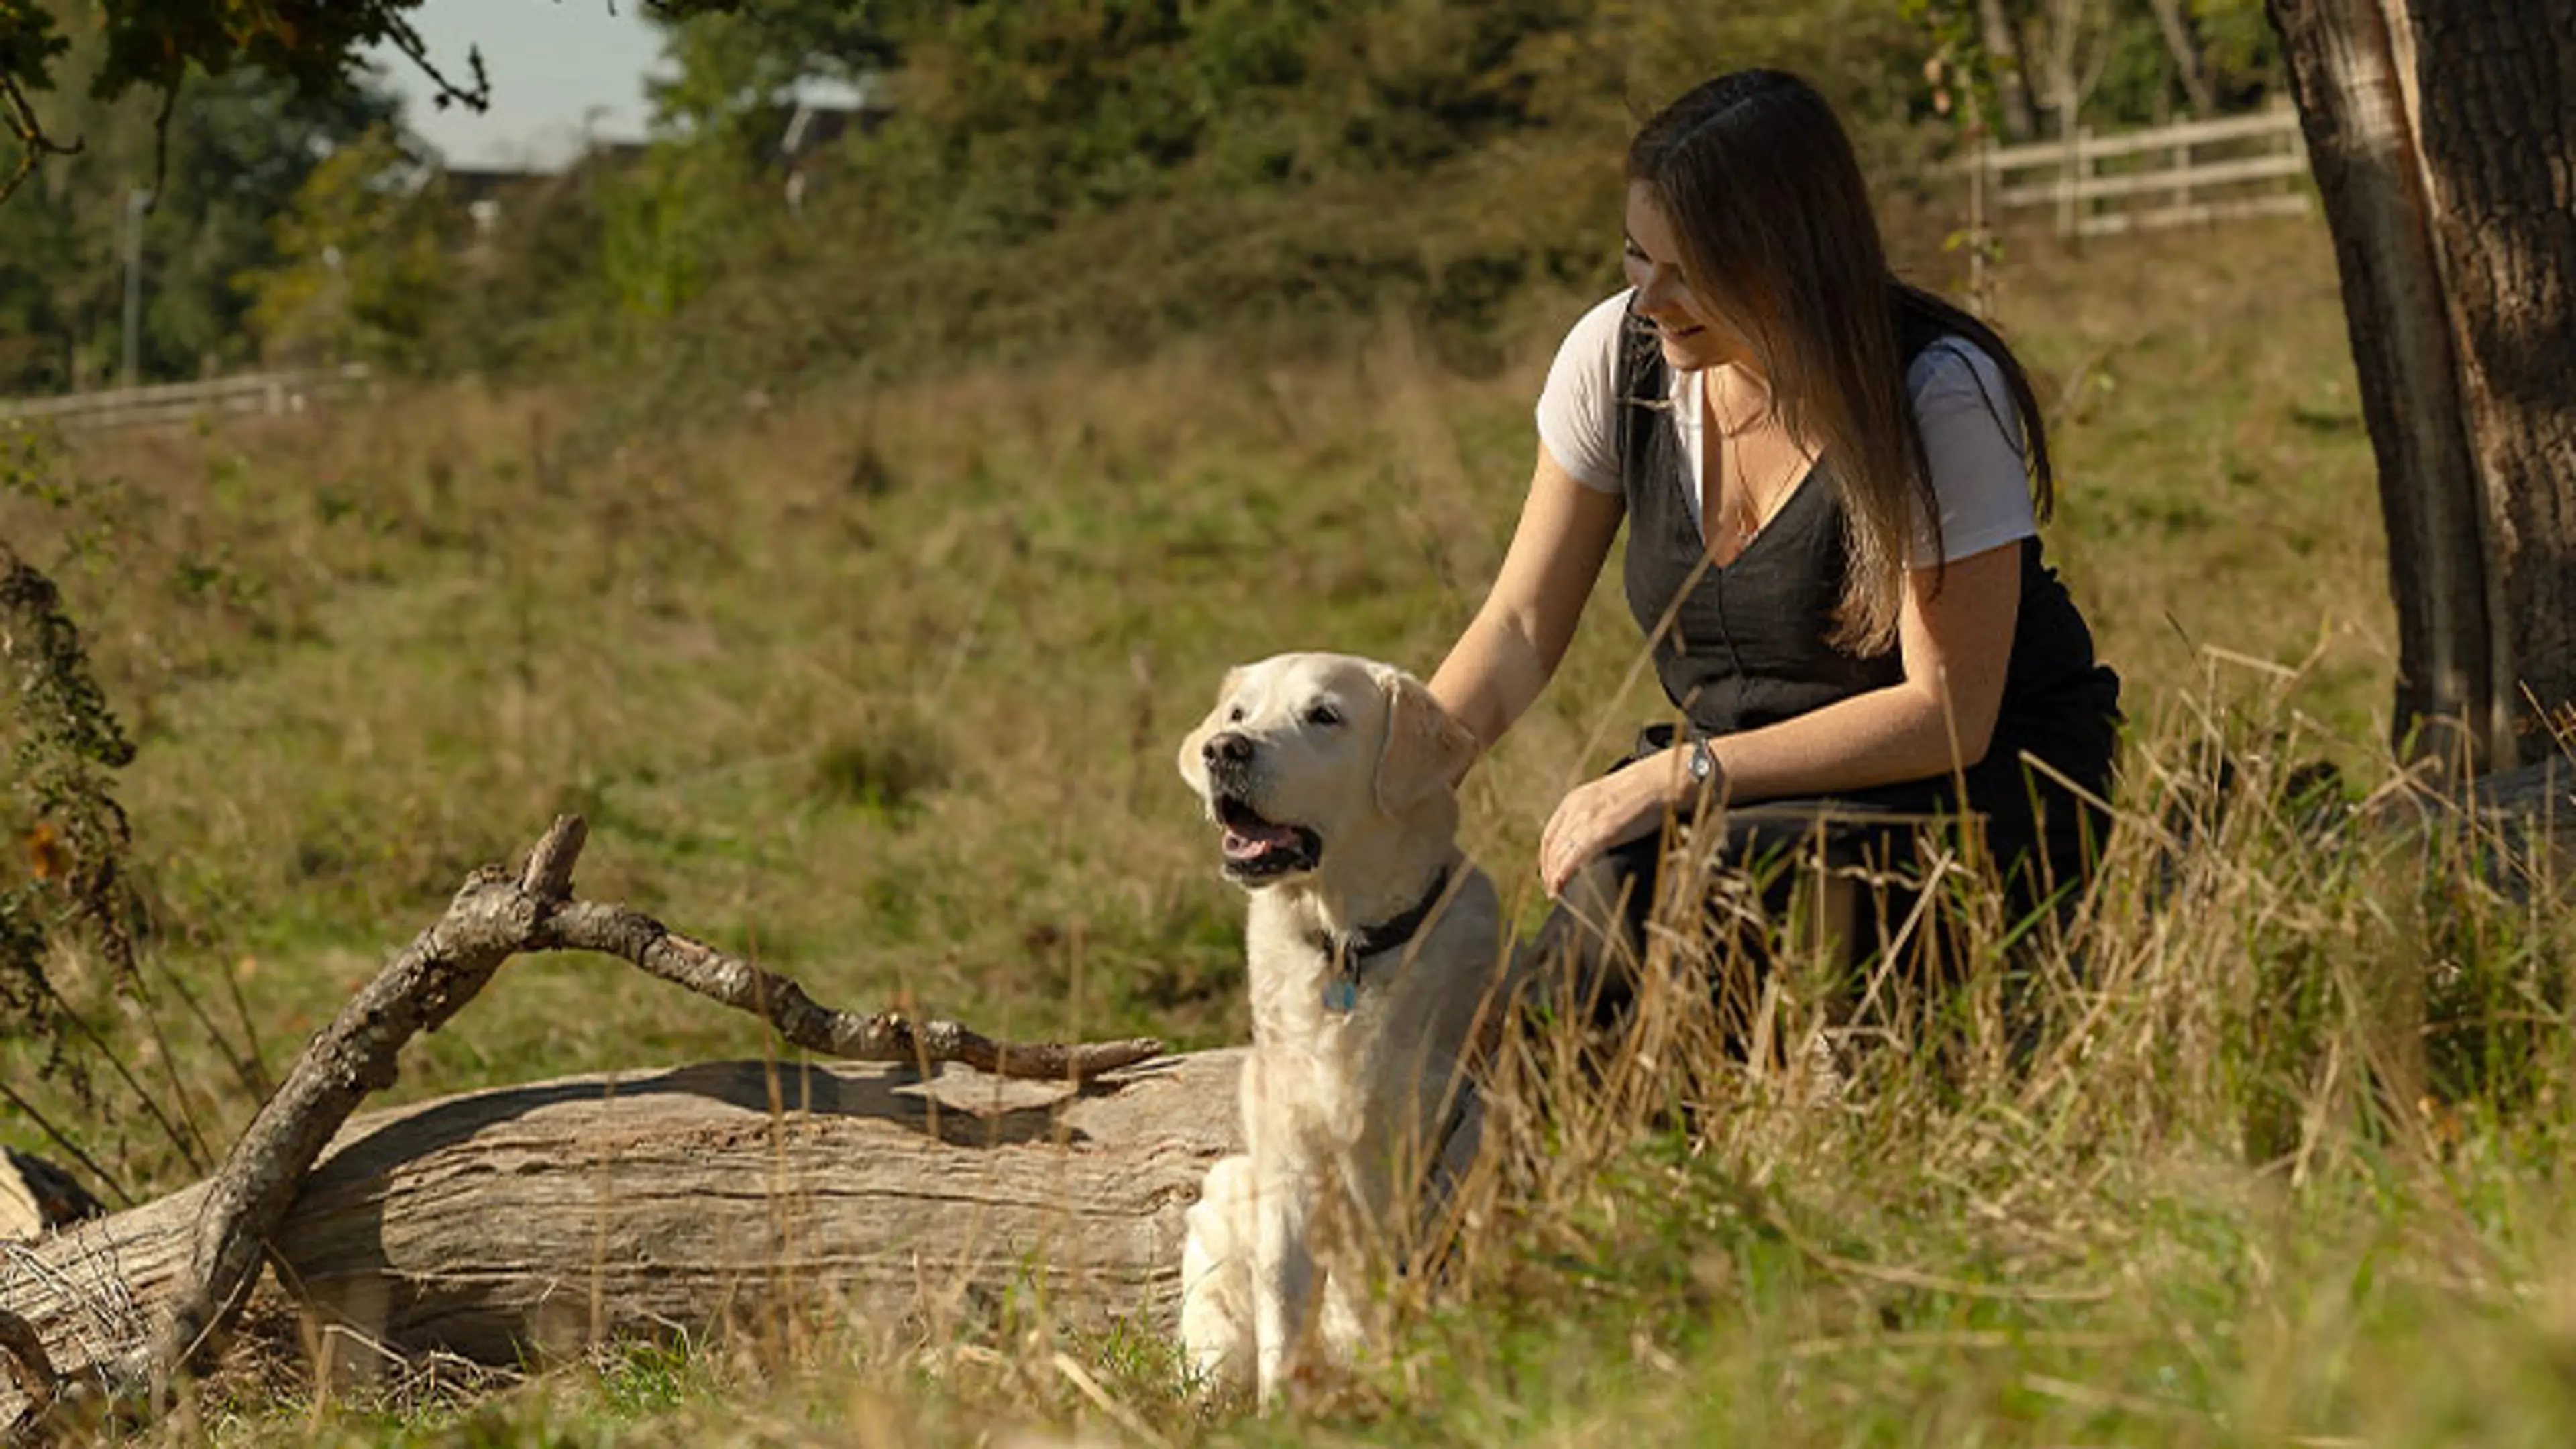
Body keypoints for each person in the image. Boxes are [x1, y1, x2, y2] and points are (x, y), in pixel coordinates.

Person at [1426, 69, 2122, 1026]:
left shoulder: (1937, 392)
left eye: (1688, 270)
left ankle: (1490, 1155)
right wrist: (1388, 785)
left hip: (1974, 796)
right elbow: (1518, 622)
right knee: (1627, 887)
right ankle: (1481, 1147)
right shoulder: (1616, 357)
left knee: (1638, 892)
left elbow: (1946, 716)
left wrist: (1679, 776)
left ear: (1792, 258)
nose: (1650, 296)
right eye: (1637, 256)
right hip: (1753, 791)